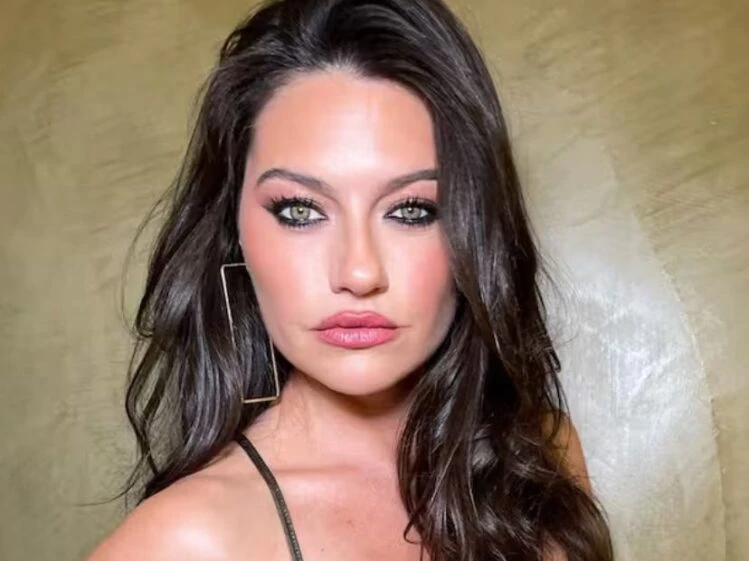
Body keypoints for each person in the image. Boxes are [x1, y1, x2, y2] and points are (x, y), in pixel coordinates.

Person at [87, 0, 613, 559]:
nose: (359, 272)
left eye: (411, 210)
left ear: (475, 230)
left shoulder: (540, 455)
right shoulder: (183, 542)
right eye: (299, 210)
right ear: (233, 231)